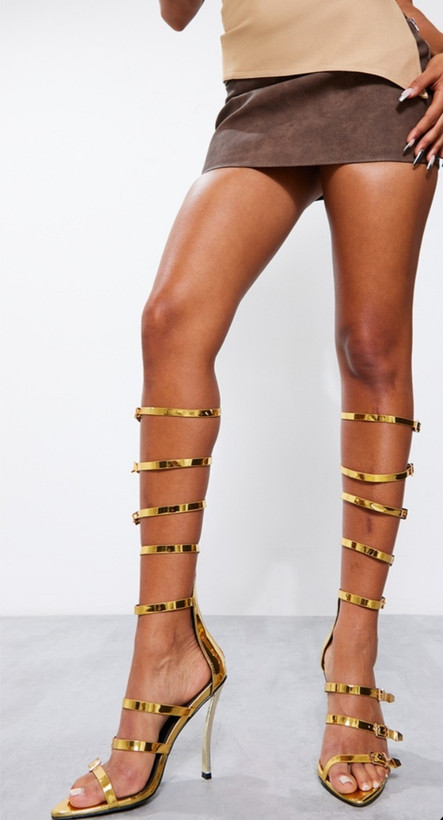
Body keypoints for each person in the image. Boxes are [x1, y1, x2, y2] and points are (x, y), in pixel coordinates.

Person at [51, 0, 443, 815]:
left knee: (371, 351)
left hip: (383, 81)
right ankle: (165, 653)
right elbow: (175, 14)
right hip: (260, 89)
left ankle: (353, 663)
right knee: (171, 322)